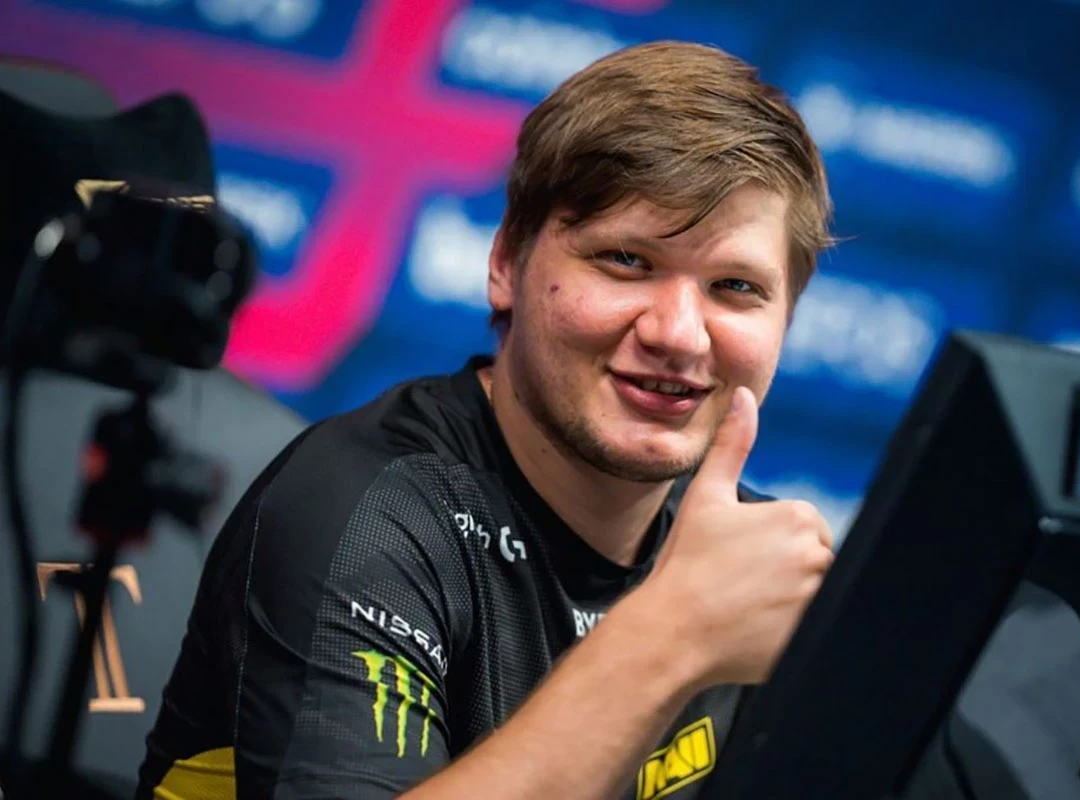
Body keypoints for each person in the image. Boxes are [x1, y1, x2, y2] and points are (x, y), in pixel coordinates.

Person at [137, 40, 836, 800]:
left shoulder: (749, 574)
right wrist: (672, 638)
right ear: (506, 264)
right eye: (626, 261)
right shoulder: (359, 510)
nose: (678, 333)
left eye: (735, 287)